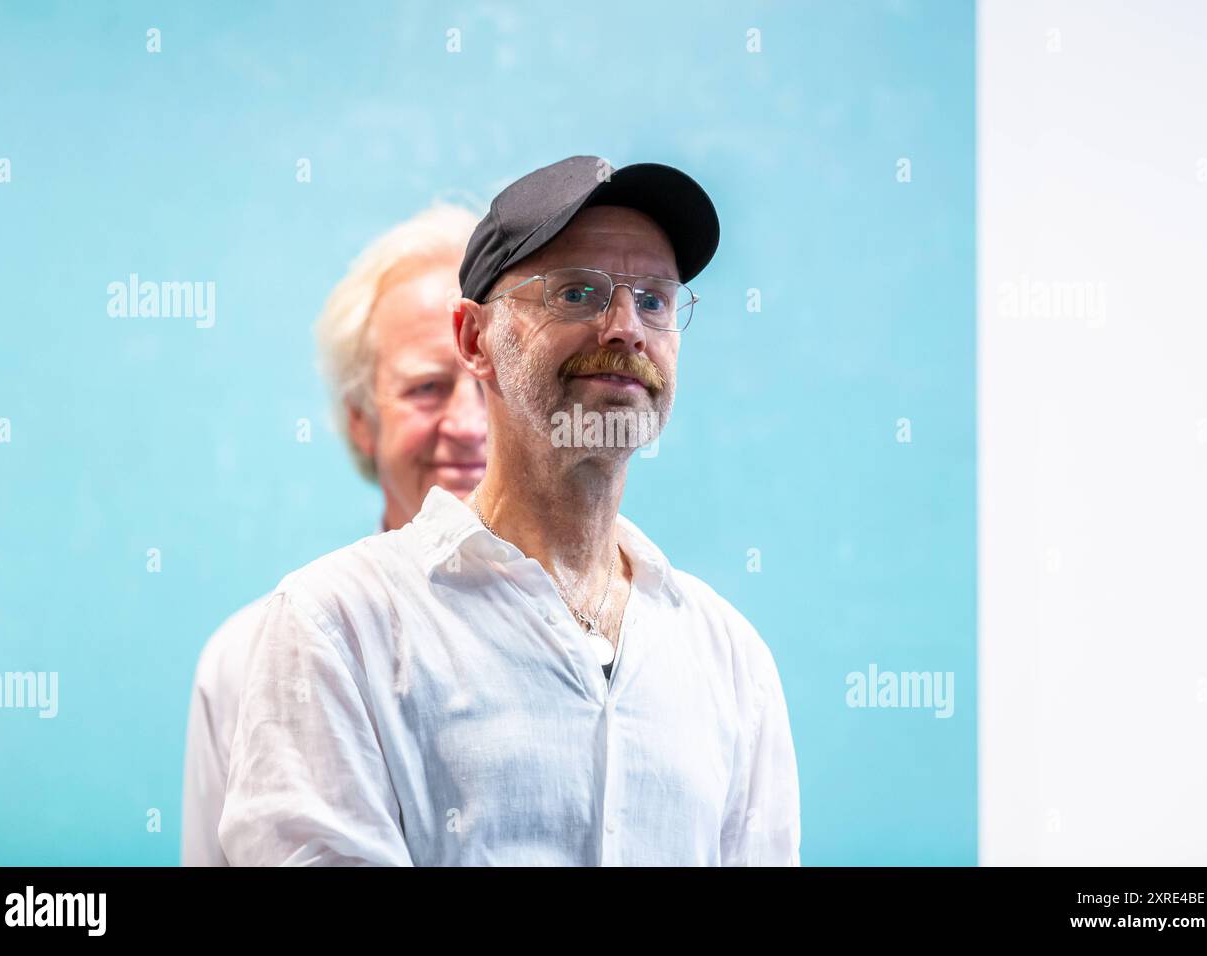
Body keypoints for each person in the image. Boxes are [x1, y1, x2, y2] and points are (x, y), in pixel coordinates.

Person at [218, 155, 801, 865]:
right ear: (474, 340)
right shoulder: (336, 626)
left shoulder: (729, 659)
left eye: (654, 299)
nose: (626, 327)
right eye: (578, 293)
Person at [180, 205, 486, 866]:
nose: (467, 424)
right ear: (360, 422)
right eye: (427, 388)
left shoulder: (624, 647)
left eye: (491, 381)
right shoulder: (247, 658)